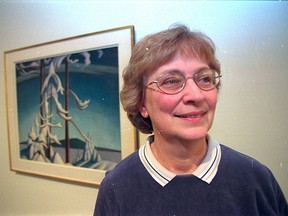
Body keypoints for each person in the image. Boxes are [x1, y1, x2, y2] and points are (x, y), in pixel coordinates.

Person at [94, 24, 288, 216]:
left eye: (204, 79)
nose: (195, 95)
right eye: (171, 81)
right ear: (141, 103)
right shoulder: (116, 187)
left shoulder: (256, 179)